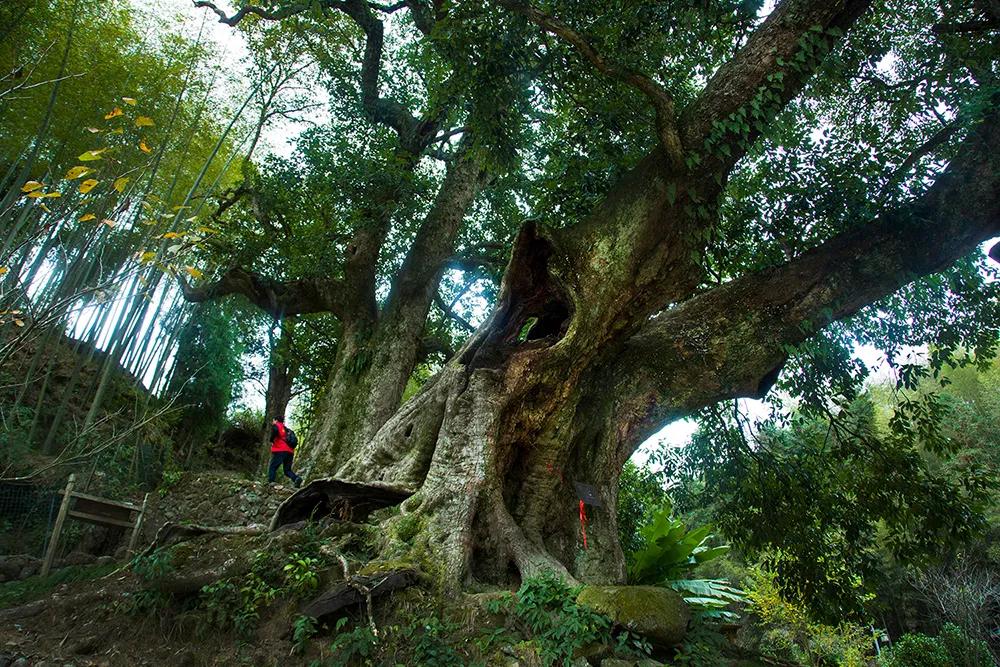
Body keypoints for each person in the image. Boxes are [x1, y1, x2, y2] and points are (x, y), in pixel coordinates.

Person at [267, 414, 303, 488]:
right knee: (287, 470)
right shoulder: (287, 429)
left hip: (280, 450)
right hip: (290, 451)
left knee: (273, 467)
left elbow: (275, 431)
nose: (273, 422)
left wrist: (271, 439)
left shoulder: (277, 425)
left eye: (273, 420)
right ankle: (296, 478)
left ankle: (271, 482)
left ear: (276, 420)